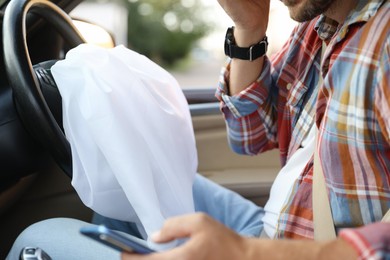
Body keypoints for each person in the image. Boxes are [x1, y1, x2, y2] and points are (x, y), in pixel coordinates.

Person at [6, 0, 390, 259]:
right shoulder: (319, 29)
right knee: (132, 170)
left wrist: (245, 252)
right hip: (273, 227)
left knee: (37, 239)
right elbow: (249, 134)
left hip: (298, 250)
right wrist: (248, 26)